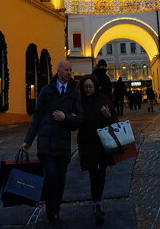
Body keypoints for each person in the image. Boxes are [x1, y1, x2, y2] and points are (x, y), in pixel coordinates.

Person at [20, 60, 81, 227]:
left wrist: (66, 118)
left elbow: (79, 118)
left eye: (71, 70)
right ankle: (51, 211)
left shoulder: (73, 93)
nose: (70, 73)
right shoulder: (46, 91)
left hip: (62, 144)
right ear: (59, 71)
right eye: (67, 70)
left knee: (60, 178)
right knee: (51, 175)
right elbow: (37, 117)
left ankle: (55, 208)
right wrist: (28, 141)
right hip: (45, 144)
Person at [76, 75, 116, 226]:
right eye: (85, 86)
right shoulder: (79, 102)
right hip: (87, 143)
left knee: (102, 172)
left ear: (95, 86)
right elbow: (76, 122)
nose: (87, 89)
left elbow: (114, 121)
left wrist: (108, 115)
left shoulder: (103, 99)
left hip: (103, 142)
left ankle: (97, 199)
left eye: (90, 86)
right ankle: (97, 202)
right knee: (94, 172)